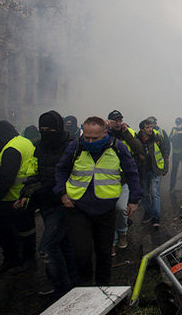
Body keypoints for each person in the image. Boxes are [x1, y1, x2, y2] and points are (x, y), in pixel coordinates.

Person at [53, 116, 142, 285]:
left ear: (105, 133)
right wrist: (62, 194)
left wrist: (134, 199)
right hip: (77, 207)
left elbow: (132, 173)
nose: (90, 142)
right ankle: (84, 286)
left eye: (95, 138)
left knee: (104, 252)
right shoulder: (75, 147)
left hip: (105, 208)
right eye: (86, 137)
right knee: (82, 253)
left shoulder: (118, 147)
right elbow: (61, 170)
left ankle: (103, 287)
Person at [18, 110, 78, 299]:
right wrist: (26, 192)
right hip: (45, 203)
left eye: (50, 129)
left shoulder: (71, 147)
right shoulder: (39, 146)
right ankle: (73, 283)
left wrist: (48, 188)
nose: (46, 133)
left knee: (47, 248)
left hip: (63, 203)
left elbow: (72, 176)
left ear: (58, 128)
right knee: (64, 245)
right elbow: (34, 172)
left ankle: (61, 288)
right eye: (43, 129)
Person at [0, 121, 37, 274]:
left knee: (6, 231)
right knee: (26, 230)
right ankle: (27, 260)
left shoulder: (11, 149)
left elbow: (6, 179)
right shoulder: (24, 141)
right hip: (25, 195)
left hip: (11, 198)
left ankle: (14, 260)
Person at [107, 110, 144, 254]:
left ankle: (122, 232)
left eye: (120, 120)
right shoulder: (103, 133)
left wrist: (126, 134)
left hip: (124, 179)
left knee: (121, 209)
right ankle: (112, 241)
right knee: (109, 213)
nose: (118, 123)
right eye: (115, 121)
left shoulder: (128, 132)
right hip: (107, 180)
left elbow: (139, 148)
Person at [136, 119, 166, 228]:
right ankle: (148, 212)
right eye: (147, 127)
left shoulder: (157, 137)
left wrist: (165, 167)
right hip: (142, 171)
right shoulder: (137, 140)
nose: (150, 129)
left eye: (151, 127)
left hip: (155, 170)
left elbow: (164, 152)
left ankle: (155, 217)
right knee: (145, 194)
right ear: (142, 129)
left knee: (154, 194)